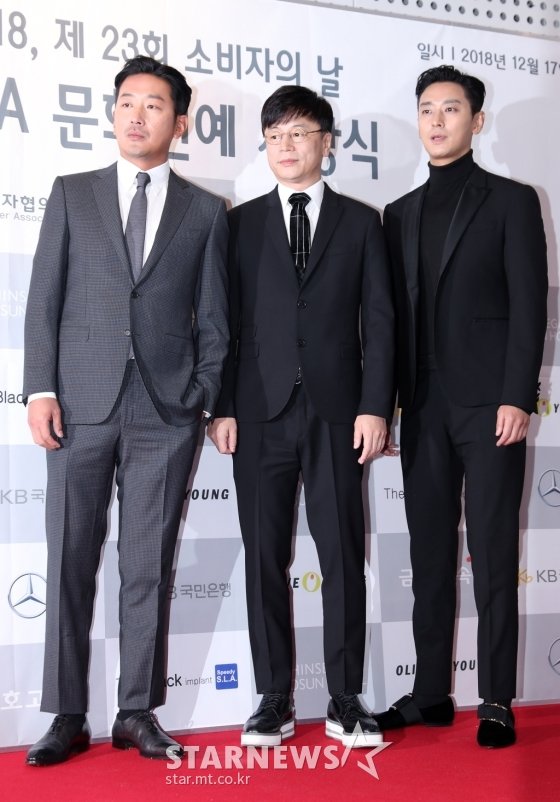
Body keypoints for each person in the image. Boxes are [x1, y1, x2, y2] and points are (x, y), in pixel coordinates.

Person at [23, 55, 228, 765]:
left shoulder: (206, 211)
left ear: (181, 122)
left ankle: (136, 711)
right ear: (113, 113)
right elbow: (43, 299)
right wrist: (40, 389)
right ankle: (67, 714)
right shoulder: (71, 193)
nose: (137, 115)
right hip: (77, 405)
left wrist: (200, 397)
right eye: (126, 103)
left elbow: (215, 321)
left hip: (165, 413)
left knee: (147, 566)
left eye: (154, 105)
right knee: (68, 561)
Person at [208, 85, 394, 748]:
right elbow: (224, 325)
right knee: (264, 555)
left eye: (298, 133)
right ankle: (273, 698)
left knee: (342, 553)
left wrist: (376, 407)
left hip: (339, 413)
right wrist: (223, 406)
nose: (285, 146)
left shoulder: (362, 223)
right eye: (274, 135)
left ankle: (345, 698)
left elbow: (380, 323)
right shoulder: (238, 225)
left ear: (326, 142)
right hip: (258, 414)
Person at [376, 65, 548, 748]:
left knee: (494, 551)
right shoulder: (398, 214)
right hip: (422, 407)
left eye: (451, 109)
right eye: (427, 109)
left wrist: (517, 396)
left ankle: (496, 698)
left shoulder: (511, 200)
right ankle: (430, 694)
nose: (437, 120)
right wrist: (388, 404)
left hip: (490, 407)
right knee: (428, 554)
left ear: (476, 120)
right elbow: (388, 320)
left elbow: (530, 306)